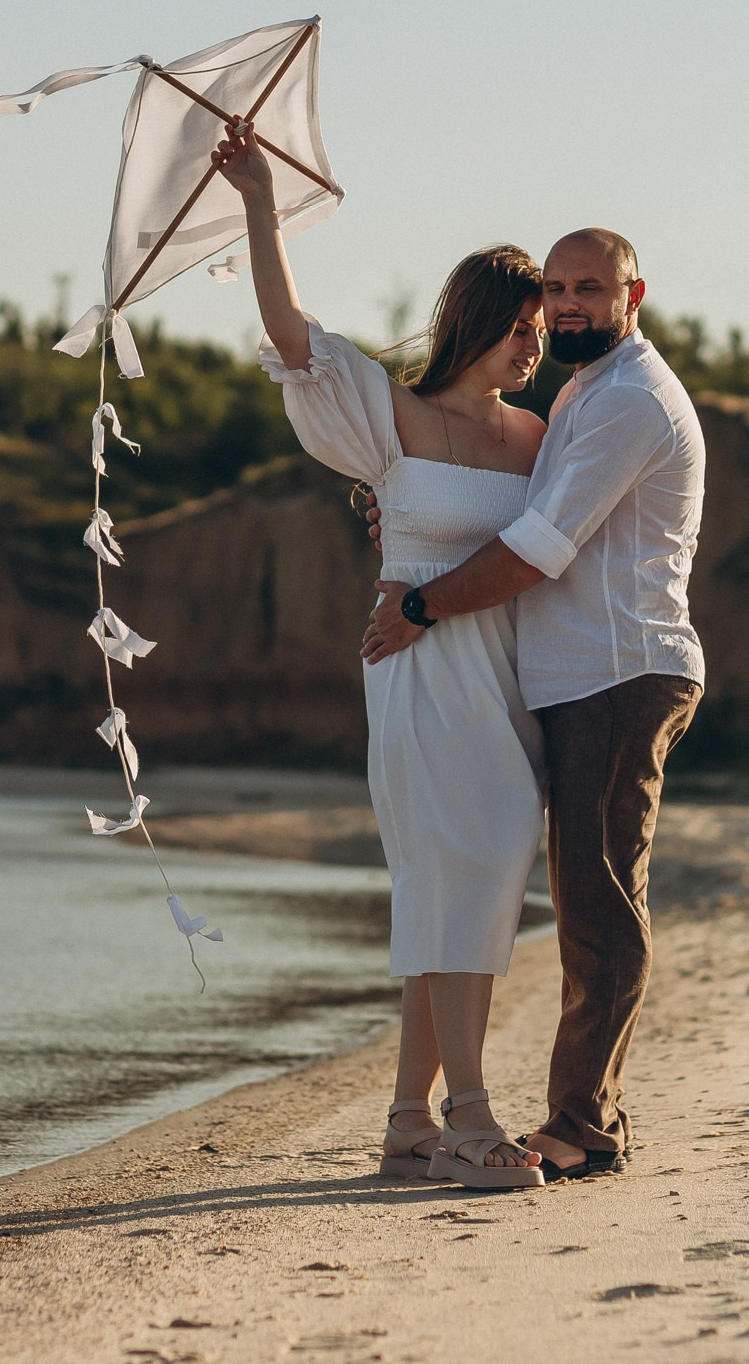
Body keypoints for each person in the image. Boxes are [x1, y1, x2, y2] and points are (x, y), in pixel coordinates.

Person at [215, 120, 550, 1190]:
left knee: (467, 877)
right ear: (477, 321)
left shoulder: (538, 439)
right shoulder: (388, 416)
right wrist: (260, 202)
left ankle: (409, 1121)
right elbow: (293, 334)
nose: (532, 348)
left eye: (542, 332)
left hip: (503, 673)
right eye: (520, 328)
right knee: (459, 871)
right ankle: (471, 1117)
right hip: (413, 666)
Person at [361, 227, 705, 1181]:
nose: (566, 305)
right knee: (573, 890)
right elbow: (497, 505)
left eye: (589, 288)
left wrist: (419, 605)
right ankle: (420, 1116)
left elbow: (537, 549)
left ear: (634, 295)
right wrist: (404, 512)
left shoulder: (629, 399)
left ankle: (582, 1126)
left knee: (599, 902)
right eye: (555, 289)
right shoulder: (580, 394)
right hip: (565, 679)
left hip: (617, 673)